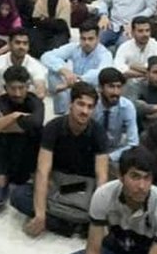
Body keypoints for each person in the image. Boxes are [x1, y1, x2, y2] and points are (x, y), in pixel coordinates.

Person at [11, 81, 111, 236]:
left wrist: (99, 219)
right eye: (81, 104)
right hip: (57, 184)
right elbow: (43, 171)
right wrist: (40, 214)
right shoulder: (53, 127)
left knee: (109, 206)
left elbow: (101, 176)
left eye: (90, 107)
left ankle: (65, 223)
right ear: (71, 103)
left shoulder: (98, 133)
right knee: (19, 195)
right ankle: (73, 225)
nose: (85, 111)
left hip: (82, 186)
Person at [0, 65, 44, 211]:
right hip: (4, 151)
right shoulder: (0, 101)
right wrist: (14, 116)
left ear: (27, 87)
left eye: (21, 88)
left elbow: (35, 122)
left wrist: (2, 124)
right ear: (5, 87)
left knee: (28, 132)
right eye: (13, 88)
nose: (17, 93)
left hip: (25, 159)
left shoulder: (35, 102)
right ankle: (0, 179)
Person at [42, 23, 114, 115]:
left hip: (92, 93)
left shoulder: (105, 54)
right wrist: (63, 70)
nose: (86, 42)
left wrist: (76, 80)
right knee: (53, 71)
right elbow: (46, 56)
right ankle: (61, 113)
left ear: (98, 39)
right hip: (73, 89)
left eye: (90, 39)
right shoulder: (75, 47)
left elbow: (101, 74)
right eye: (83, 39)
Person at [0, 29, 49, 99]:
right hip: (0, 99)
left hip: (24, 102)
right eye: (17, 43)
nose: (21, 47)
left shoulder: (35, 65)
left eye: (25, 43)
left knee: (35, 90)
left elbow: (41, 92)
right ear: (9, 44)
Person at [92, 66, 140, 164]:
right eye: (111, 87)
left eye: (119, 87)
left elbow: (133, 143)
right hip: (91, 152)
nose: (116, 92)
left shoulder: (127, 107)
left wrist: (109, 157)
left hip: (115, 154)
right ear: (100, 88)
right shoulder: (91, 105)